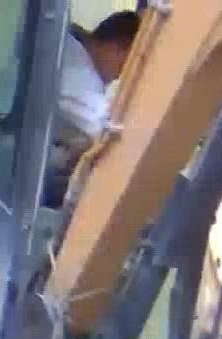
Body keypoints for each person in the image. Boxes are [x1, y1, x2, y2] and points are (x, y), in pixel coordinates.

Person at [53, 12, 140, 203]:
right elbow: (107, 129)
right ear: (114, 48)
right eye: (124, 66)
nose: (119, 77)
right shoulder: (76, 71)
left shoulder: (67, 42)